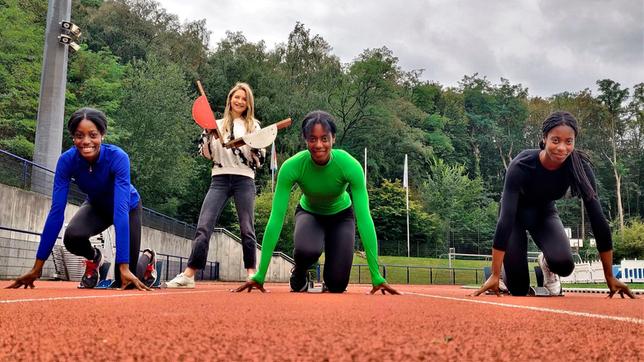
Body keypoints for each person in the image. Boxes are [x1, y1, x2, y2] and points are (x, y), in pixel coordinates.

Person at [235, 111, 399, 295]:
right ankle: (299, 273)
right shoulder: (292, 166)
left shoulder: (349, 165)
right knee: (307, 250)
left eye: (324, 139)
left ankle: (332, 279)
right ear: (305, 140)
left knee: (337, 286)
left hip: (341, 217)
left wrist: (376, 275)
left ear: (333, 139)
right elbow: (276, 219)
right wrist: (260, 274)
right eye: (312, 139)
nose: (319, 145)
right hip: (310, 213)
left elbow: (365, 219)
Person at [474, 111, 634, 298]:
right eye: (555, 140)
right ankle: (501, 274)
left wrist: (609, 277)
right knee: (518, 289)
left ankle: (547, 265)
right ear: (544, 138)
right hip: (515, 216)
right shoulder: (521, 165)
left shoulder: (579, 168)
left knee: (565, 265)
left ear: (574, 141)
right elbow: (505, 220)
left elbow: (598, 220)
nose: (562, 148)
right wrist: (494, 273)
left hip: (544, 214)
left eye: (569, 141)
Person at [6, 108, 150, 291]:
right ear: (73, 138)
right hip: (96, 206)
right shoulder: (66, 161)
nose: (86, 142)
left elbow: (120, 212)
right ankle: (95, 258)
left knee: (125, 281)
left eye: (93, 135)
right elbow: (56, 212)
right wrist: (37, 268)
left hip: (127, 208)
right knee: (72, 236)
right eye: (79, 136)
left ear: (102, 135)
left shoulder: (118, 158)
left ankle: (147, 258)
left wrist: (123, 267)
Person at [163, 82, 265, 288]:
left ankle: (251, 274)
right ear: (230, 99)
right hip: (219, 177)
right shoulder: (214, 123)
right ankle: (189, 275)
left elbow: (259, 161)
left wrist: (250, 144)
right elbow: (206, 154)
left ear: (249, 103)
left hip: (244, 178)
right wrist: (210, 134)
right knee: (204, 225)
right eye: (236, 97)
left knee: (247, 228)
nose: (240, 101)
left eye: (244, 98)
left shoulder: (254, 126)